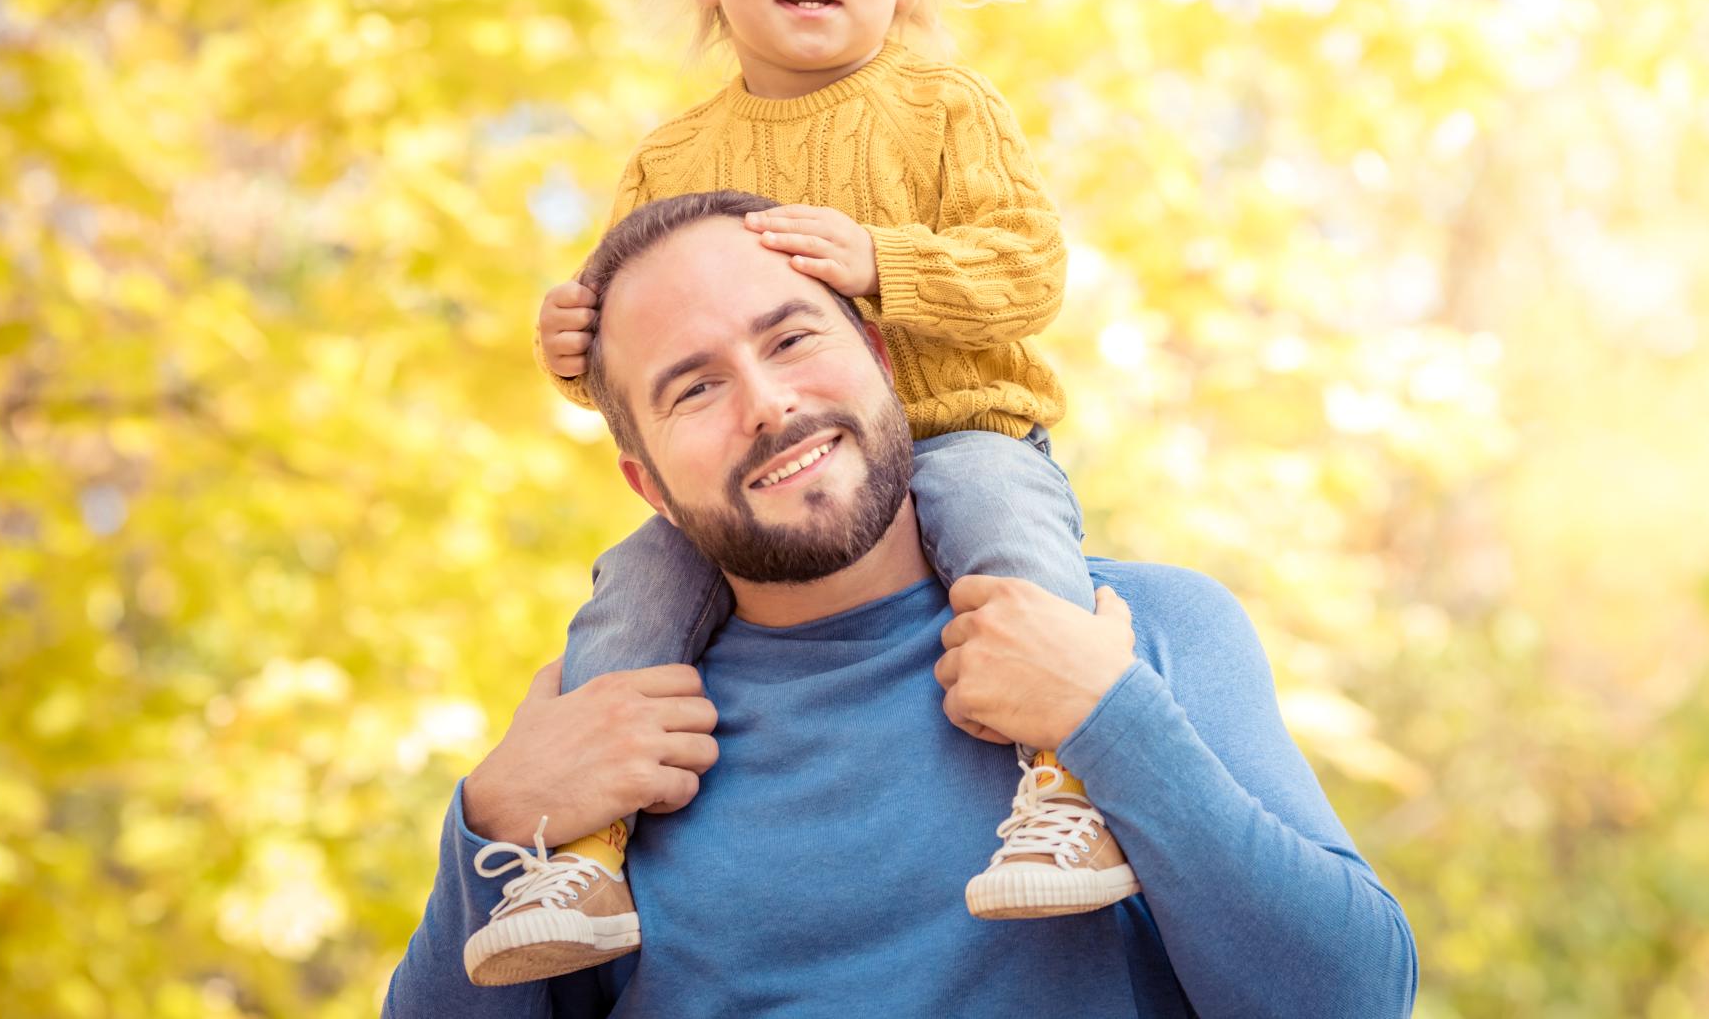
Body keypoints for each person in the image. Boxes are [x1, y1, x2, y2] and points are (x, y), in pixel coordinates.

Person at [384, 192, 1420, 1017]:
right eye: (692, 389)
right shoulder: (613, 736)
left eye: (791, 340)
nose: (767, 402)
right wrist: (492, 823)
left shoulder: (1144, 630)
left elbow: (1355, 997)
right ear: (647, 485)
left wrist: (1112, 718)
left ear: (880, 362)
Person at [497, 0, 1120, 984]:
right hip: (766, 491)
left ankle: (1069, 783)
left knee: (1001, 522)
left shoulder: (944, 108)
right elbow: (648, 370)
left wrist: (883, 262)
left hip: (957, 426)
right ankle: (580, 847)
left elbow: (1029, 272)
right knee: (632, 585)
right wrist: (575, 350)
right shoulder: (672, 157)